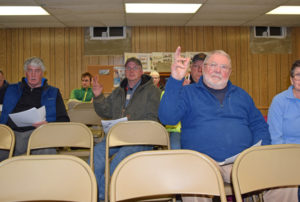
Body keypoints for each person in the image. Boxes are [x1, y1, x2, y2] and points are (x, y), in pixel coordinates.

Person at [159, 46, 296, 202]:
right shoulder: (187, 93)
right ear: (204, 68)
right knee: (192, 179)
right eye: (213, 65)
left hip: (243, 162)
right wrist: (175, 80)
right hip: (204, 164)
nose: (218, 70)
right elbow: (167, 118)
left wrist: (257, 153)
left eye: (223, 67)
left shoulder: (242, 95)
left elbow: (259, 126)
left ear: (229, 72)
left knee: (286, 178)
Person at [91, 57, 161, 201]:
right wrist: (98, 96)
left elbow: (154, 117)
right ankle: (94, 193)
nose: (131, 70)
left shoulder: (153, 91)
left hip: (141, 139)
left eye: (135, 67)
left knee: (120, 158)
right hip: (118, 136)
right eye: (128, 68)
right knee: (97, 152)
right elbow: (106, 112)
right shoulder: (118, 92)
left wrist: (132, 123)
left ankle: (105, 196)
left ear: (141, 71)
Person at [0, 57, 70, 161]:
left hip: (38, 134)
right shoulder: (10, 89)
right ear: (25, 73)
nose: (33, 74)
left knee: (45, 147)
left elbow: (64, 119)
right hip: (11, 134)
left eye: (37, 71)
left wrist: (48, 125)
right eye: (30, 70)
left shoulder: (53, 92)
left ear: (42, 73)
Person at [268, 60, 300, 144]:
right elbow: (275, 137)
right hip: (287, 152)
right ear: (291, 80)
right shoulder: (279, 101)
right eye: (298, 75)